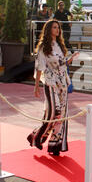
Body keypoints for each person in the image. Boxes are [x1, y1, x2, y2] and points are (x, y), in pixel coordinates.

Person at [27, 19, 80, 156]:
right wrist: (36, 86)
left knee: (61, 115)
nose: (58, 30)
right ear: (49, 29)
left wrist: (70, 59)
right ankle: (36, 136)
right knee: (53, 112)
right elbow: (40, 67)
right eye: (55, 27)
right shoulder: (43, 48)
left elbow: (61, 64)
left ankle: (55, 144)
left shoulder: (59, 45)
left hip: (62, 83)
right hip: (51, 83)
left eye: (58, 28)